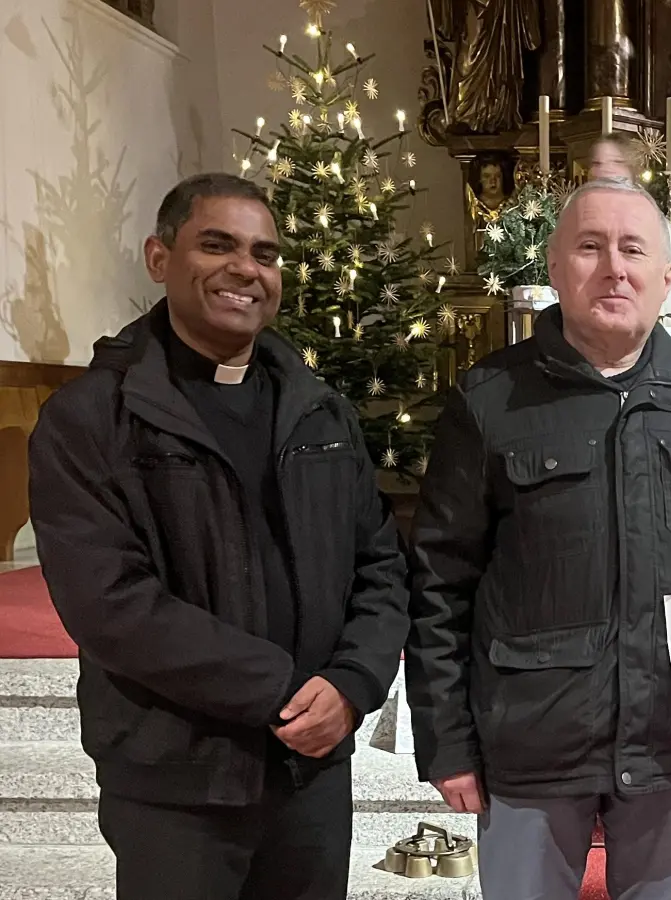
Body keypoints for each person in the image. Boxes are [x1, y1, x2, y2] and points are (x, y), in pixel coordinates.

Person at [27, 173, 410, 900]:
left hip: (310, 773)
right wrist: (281, 690)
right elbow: (109, 603)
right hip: (176, 773)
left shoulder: (319, 410)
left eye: (265, 255)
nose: (246, 269)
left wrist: (353, 685)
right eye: (217, 245)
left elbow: (381, 564)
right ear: (158, 257)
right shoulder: (93, 419)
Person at [406, 176, 671, 900]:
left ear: (667, 276)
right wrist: (446, 742)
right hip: (530, 743)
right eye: (590, 247)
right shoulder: (490, 400)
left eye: (633, 249)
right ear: (553, 266)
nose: (613, 267)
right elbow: (439, 583)